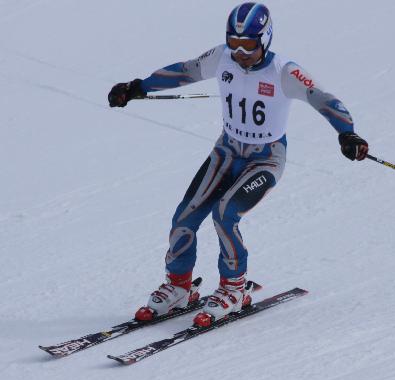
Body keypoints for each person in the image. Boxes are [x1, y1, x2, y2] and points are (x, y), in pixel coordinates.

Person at [108, 2, 369, 328]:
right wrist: (137, 87)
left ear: (265, 39)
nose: (241, 52)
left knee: (225, 214)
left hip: (265, 158)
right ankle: (179, 286)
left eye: (248, 44)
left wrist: (347, 133)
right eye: (234, 42)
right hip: (227, 151)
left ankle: (234, 288)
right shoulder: (223, 57)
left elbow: (323, 98)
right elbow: (185, 71)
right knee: (185, 216)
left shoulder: (284, 72)